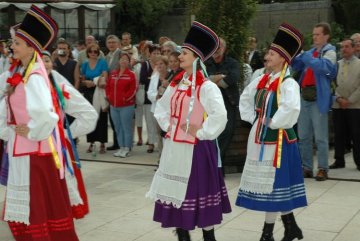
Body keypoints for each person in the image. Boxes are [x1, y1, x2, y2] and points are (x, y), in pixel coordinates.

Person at [146, 21, 231, 241]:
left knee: (198, 191)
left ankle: (208, 236)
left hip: (198, 149)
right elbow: (161, 109)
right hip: (174, 148)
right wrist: (170, 127)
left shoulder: (206, 86)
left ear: (196, 58)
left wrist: (200, 131)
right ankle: (183, 235)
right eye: (180, 53)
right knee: (177, 192)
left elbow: (220, 115)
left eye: (184, 53)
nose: (179, 56)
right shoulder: (176, 83)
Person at [0, 5, 79, 240]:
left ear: (30, 48)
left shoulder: (34, 76)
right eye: (13, 43)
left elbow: (48, 114)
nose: (12, 47)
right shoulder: (23, 72)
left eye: (17, 44)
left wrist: (32, 131)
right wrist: (11, 131)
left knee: (36, 211)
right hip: (24, 150)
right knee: (30, 210)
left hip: (33, 154)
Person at [236, 23, 307, 241]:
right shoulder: (262, 80)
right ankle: (288, 228)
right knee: (274, 190)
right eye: (268, 52)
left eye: (272, 53)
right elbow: (245, 98)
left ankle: (269, 234)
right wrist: (255, 120)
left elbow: (292, 108)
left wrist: (273, 122)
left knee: (275, 189)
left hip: (279, 143)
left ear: (283, 59)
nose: (267, 56)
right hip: (260, 140)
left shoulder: (288, 83)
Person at [41, 50, 98, 219]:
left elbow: (89, 114)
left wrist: (66, 132)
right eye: (40, 60)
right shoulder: (17, 80)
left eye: (47, 60)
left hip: (55, 147)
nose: (44, 64)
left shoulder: (58, 83)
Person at [292, 22, 337, 181]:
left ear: (326, 36)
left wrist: (306, 56)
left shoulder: (330, 52)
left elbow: (324, 67)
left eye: (318, 34)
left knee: (320, 137)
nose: (315, 37)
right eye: (314, 34)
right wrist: (293, 54)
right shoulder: (310, 52)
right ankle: (307, 168)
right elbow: (295, 65)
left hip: (319, 98)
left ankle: (323, 169)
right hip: (304, 97)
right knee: (303, 136)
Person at [205, 37, 241, 170]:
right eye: (214, 47)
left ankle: (218, 165)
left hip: (228, 102)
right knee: (212, 134)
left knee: (226, 133)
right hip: (210, 104)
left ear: (224, 49)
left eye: (220, 47)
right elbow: (203, 80)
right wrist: (220, 77)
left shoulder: (232, 63)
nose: (217, 50)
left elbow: (232, 79)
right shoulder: (206, 64)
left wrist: (213, 79)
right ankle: (213, 165)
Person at [330, 39, 360, 171]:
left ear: (354, 49)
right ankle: (339, 160)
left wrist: (349, 100)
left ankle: (359, 162)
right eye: (342, 47)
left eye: (347, 47)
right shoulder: (336, 64)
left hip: (355, 105)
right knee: (339, 134)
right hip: (338, 104)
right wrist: (338, 98)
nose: (344, 49)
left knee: (356, 134)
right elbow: (332, 84)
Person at [106, 53, 137, 158]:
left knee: (126, 127)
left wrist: (125, 98)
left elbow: (133, 90)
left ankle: (127, 148)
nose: (123, 61)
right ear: (118, 61)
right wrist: (109, 96)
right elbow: (108, 87)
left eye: (125, 59)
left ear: (129, 62)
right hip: (113, 106)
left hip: (126, 106)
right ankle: (121, 147)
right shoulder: (113, 74)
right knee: (118, 128)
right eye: (121, 59)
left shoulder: (131, 74)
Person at [80, 43, 109, 154]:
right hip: (88, 92)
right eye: (91, 51)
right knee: (90, 117)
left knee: (102, 116)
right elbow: (82, 79)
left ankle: (102, 143)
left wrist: (93, 82)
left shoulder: (102, 63)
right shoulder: (85, 64)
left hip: (99, 91)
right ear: (88, 53)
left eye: (96, 51)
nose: (93, 53)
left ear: (99, 53)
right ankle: (91, 142)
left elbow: (104, 77)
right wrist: (86, 82)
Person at [105, 34, 122, 151]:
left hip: (120, 89)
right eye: (109, 42)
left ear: (118, 43)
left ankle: (122, 143)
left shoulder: (121, 54)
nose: (111, 44)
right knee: (113, 118)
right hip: (110, 89)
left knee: (121, 119)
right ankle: (116, 142)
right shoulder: (106, 56)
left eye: (113, 42)